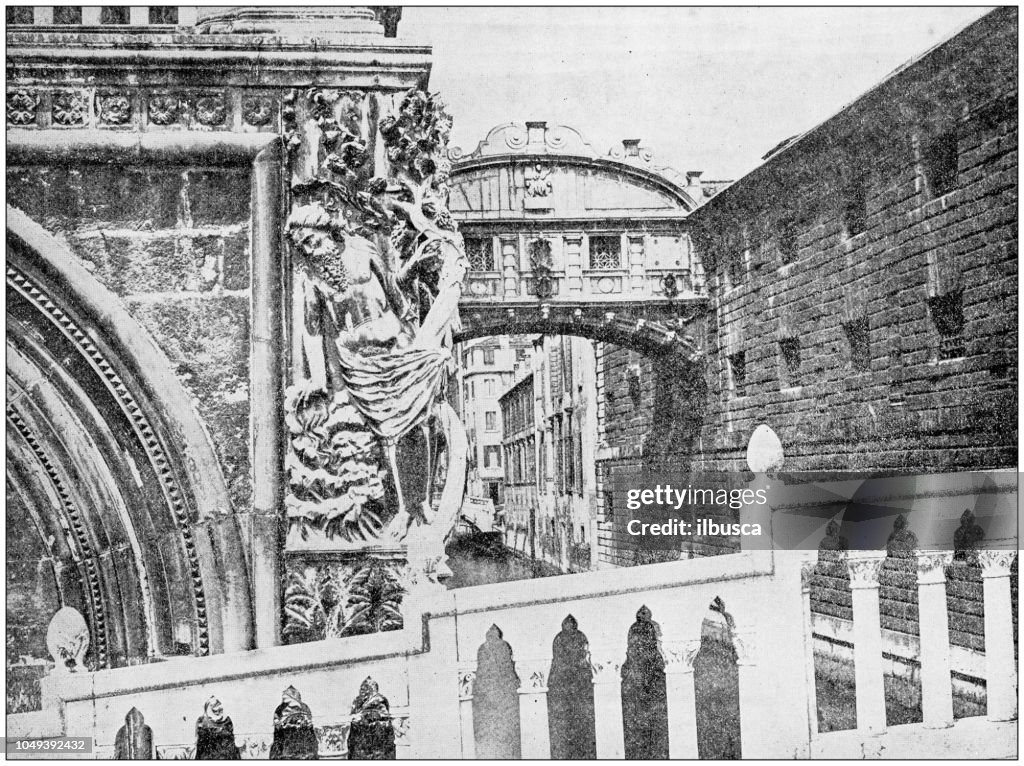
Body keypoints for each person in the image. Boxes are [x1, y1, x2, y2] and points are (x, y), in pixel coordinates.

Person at [347, 677, 396, 759]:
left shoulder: (379, 700)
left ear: (371, 689)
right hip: (359, 745)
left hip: (376, 747)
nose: (362, 690)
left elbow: (385, 721)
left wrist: (363, 719)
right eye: (361, 688)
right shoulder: (357, 702)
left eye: (365, 688)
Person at [270, 686, 319, 760]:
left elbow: (310, 732)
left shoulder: (304, 708)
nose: (284, 700)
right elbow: (277, 735)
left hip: (303, 750)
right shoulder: (280, 710)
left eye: (286, 697)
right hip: (286, 751)